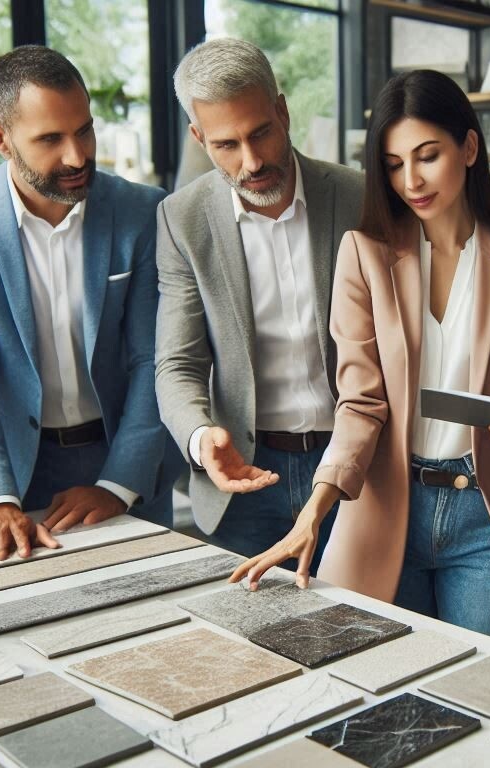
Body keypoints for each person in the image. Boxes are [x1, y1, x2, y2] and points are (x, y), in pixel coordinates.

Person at [230, 70, 490, 640]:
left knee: (480, 678)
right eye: (395, 164)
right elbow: (360, 402)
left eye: (428, 156)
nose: (411, 180)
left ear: (469, 148)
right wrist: (313, 511)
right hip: (386, 504)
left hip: (483, 516)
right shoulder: (364, 254)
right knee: (380, 677)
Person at [154, 39, 363, 564]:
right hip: (245, 480)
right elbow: (177, 363)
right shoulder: (182, 218)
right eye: (226, 144)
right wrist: (202, 437)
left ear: (283, 112)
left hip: (354, 468)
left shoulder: (359, 197)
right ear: (199, 138)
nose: (251, 162)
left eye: (261, 133)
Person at [0, 45, 176, 561]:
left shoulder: (144, 212)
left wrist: (118, 484)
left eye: (84, 131)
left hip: (122, 460)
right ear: (0, 139)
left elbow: (154, 360)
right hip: (7, 470)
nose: (77, 156)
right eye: (50, 139)